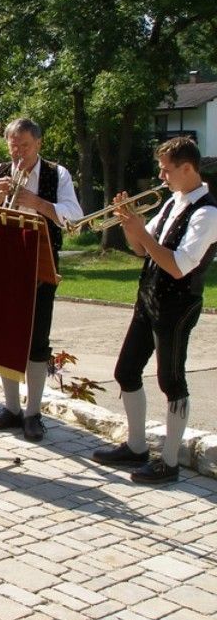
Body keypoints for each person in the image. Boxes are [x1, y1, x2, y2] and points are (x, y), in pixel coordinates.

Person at [93, 137, 217, 484]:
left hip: (177, 304)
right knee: (126, 371)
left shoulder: (207, 213)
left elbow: (178, 266)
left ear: (188, 169)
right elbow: (142, 251)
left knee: (171, 380)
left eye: (166, 169)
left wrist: (142, 235)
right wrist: (128, 224)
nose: (161, 176)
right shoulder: (173, 202)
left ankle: (170, 463)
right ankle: (136, 447)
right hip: (148, 297)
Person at [0, 117, 83, 441]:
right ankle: (11, 409)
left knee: (37, 339)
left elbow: (74, 217)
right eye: (13, 145)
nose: (18, 152)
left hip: (41, 261)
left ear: (38, 144)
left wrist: (35, 202)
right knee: (5, 336)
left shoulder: (56, 174)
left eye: (24, 145)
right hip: (4, 261)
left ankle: (33, 412)